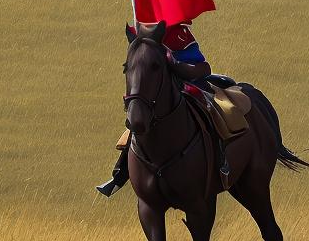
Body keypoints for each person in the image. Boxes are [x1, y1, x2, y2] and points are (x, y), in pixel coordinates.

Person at [96, 21, 230, 197]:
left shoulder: (180, 34)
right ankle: (120, 175)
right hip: (157, 94)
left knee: (208, 109)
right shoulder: (142, 36)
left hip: (187, 86)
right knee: (136, 120)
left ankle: (221, 160)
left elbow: (203, 68)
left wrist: (176, 65)